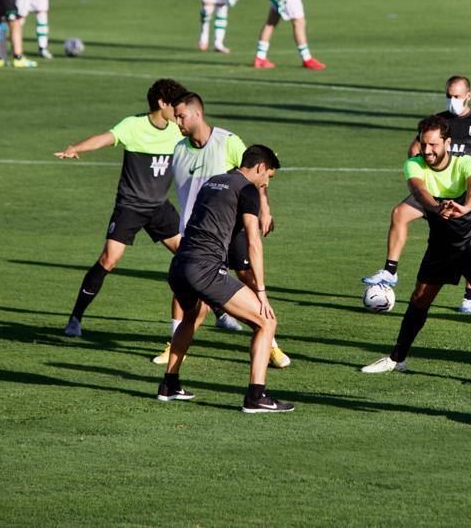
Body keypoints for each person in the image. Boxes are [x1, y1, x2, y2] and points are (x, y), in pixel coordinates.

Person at [361, 115, 471, 390]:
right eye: (423, 144)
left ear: (447, 143)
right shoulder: (414, 165)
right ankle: (397, 359)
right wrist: (437, 207)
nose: (426, 150)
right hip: (440, 244)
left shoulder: (466, 163)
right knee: (420, 298)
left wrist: (466, 208)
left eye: (433, 145)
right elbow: (419, 191)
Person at [154, 93, 291, 368]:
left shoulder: (227, 141)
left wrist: (264, 209)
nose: (176, 121)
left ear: (197, 114)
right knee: (190, 291)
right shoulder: (178, 149)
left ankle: (270, 343)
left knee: (246, 277)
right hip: (198, 231)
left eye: (181, 116)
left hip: (233, 225)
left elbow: (255, 175)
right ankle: (174, 345)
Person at [362, 76, 471, 314]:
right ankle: (390, 271)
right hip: (433, 190)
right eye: (448, 95)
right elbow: (414, 148)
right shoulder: (439, 123)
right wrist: (420, 170)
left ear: (468, 96)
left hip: (464, 194)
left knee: (468, 240)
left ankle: (469, 295)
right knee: (400, 213)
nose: (451, 100)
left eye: (456, 96)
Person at [159, 144, 294, 414]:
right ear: (260, 167)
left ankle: (169, 384)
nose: (267, 183)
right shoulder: (248, 189)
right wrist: (261, 292)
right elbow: (253, 242)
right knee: (267, 321)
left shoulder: (214, 181)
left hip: (180, 264)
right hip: (205, 269)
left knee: (191, 317)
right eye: (268, 176)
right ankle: (256, 396)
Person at [55, 79, 188, 337]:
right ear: (162, 104)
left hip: (159, 207)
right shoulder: (133, 126)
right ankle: (75, 319)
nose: (180, 112)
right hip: (131, 206)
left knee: (193, 256)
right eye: (176, 106)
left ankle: (221, 311)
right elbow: (104, 138)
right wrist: (75, 148)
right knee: (109, 259)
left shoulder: (178, 129)